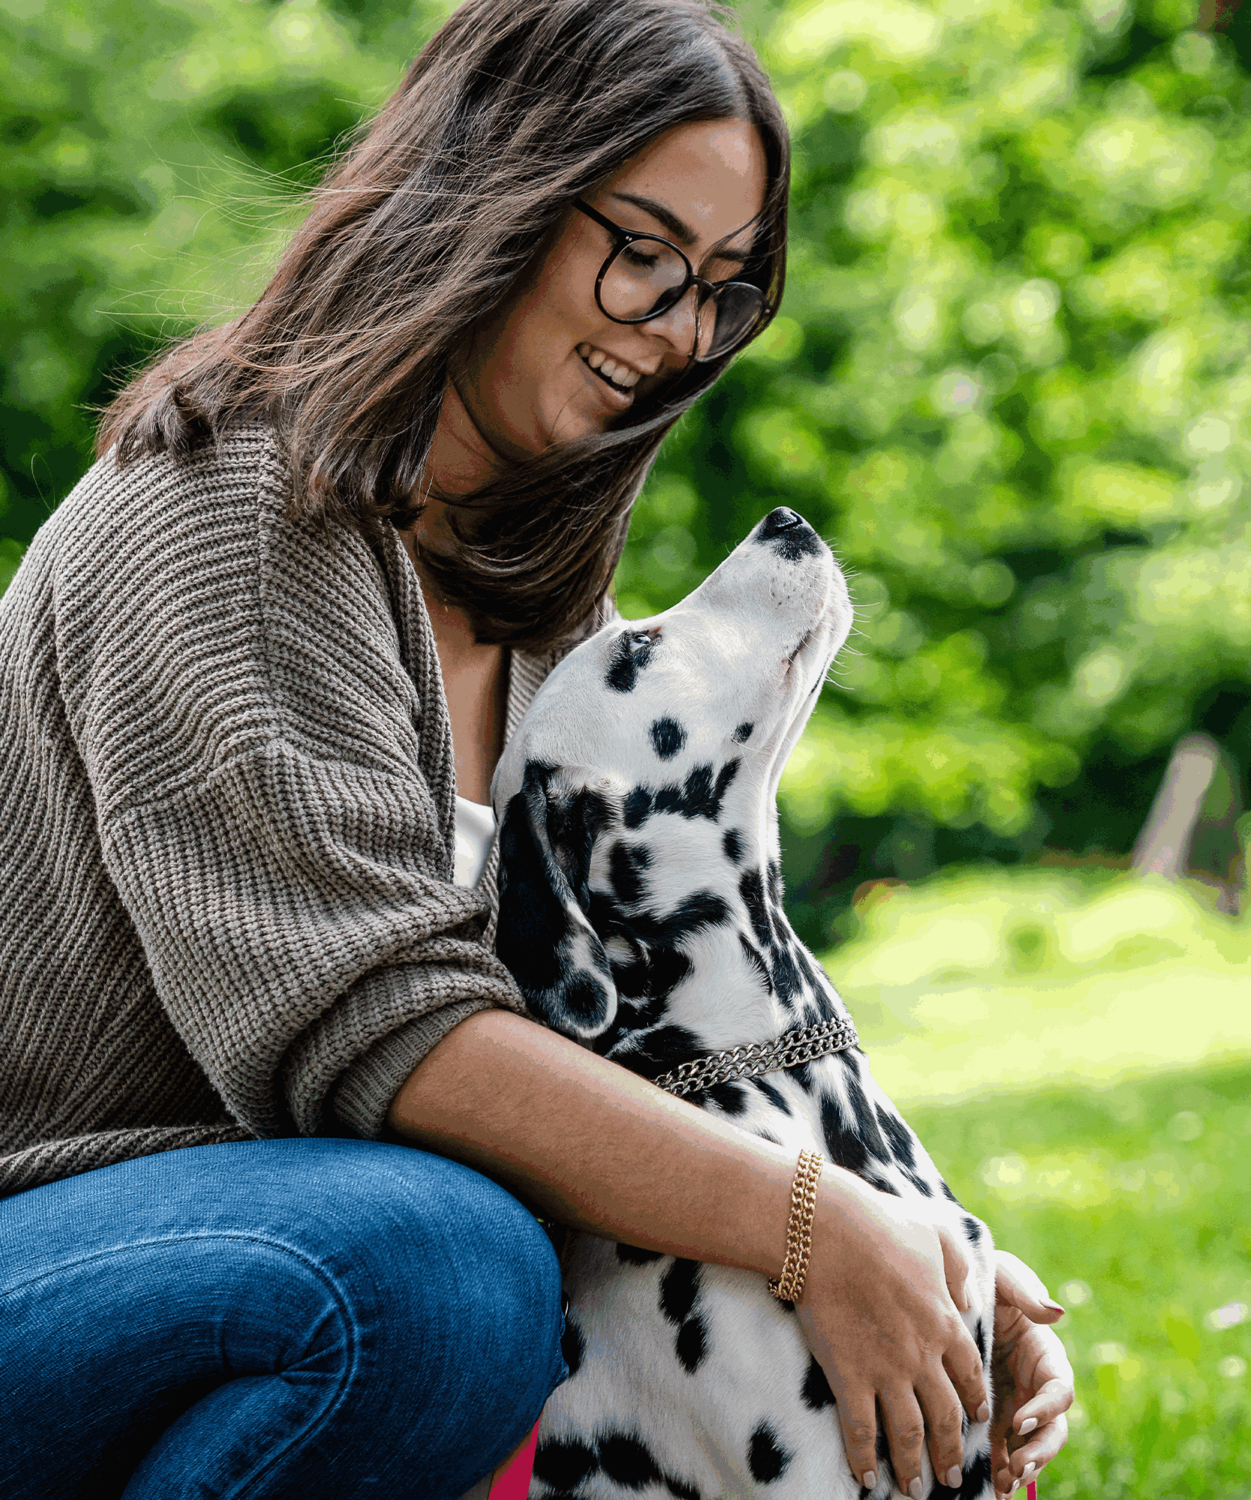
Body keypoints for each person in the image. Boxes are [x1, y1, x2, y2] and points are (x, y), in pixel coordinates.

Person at [0, 2, 1074, 1497]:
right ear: (487, 187)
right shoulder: (222, 512)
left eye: (721, 288)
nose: (677, 327)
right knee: (430, 1273)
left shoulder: (545, 603)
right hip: (56, 1235)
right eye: (643, 249)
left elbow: (654, 1027)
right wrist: (813, 1225)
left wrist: (928, 1245)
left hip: (259, 1248)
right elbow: (378, 1035)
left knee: (454, 1250)